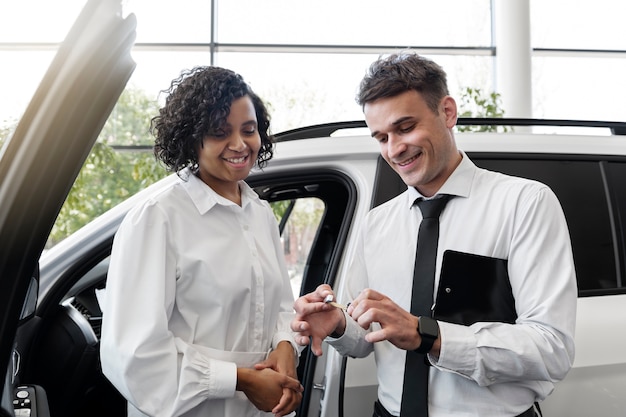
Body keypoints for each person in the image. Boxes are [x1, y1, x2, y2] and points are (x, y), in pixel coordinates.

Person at [291, 52, 577, 417]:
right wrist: (338, 324)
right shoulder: (376, 224)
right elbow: (367, 339)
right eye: (381, 137)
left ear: (447, 112)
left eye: (406, 127)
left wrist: (428, 334)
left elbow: (552, 350)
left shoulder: (525, 203)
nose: (394, 149)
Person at [100, 66, 302, 417]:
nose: (240, 145)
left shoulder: (259, 214)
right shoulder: (159, 217)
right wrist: (241, 380)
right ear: (193, 139)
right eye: (220, 132)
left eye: (249, 130)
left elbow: (280, 305)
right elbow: (134, 356)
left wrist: (285, 345)